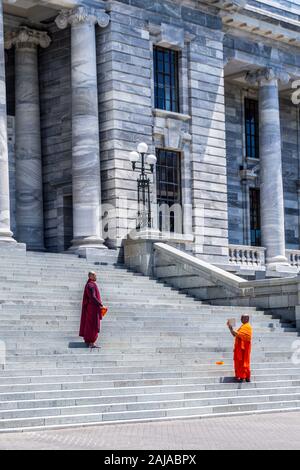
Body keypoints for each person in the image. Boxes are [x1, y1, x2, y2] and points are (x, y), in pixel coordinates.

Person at [79, 271, 103, 349]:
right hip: (93, 308)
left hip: (90, 307)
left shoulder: (88, 284)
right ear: (91, 276)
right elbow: (92, 297)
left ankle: (88, 340)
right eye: (95, 275)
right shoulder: (91, 285)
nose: (96, 277)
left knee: (89, 324)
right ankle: (91, 342)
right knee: (93, 324)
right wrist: (100, 304)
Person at [227, 315, 253, 383]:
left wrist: (233, 330)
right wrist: (230, 328)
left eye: (243, 318)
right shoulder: (242, 326)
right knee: (239, 362)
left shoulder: (247, 327)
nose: (241, 319)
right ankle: (241, 376)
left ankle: (245, 377)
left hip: (244, 349)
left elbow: (240, 335)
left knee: (244, 362)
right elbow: (235, 335)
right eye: (241, 317)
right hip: (240, 348)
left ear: (247, 319)